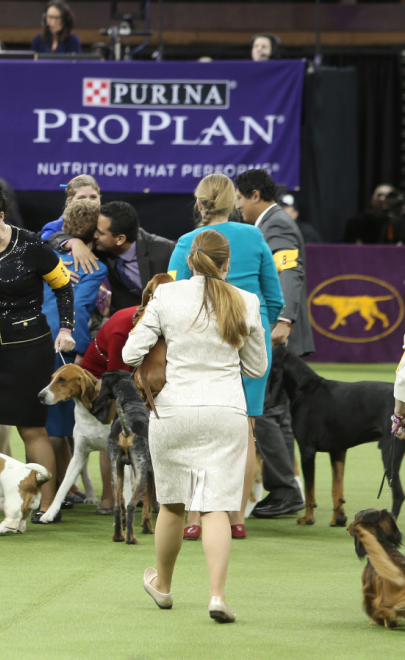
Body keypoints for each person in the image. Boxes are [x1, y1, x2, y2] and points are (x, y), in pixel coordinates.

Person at [124, 229, 268, 624]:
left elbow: (129, 351)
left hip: (174, 412)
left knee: (172, 504)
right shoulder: (247, 300)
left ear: (189, 260)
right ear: (227, 264)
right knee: (217, 507)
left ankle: (164, 586)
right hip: (226, 412)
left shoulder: (166, 295)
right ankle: (217, 596)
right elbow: (256, 367)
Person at [168, 173, 284, 540]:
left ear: (200, 204)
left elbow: (170, 293)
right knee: (244, 429)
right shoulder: (254, 235)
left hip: (202, 339)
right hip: (251, 333)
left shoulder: (188, 241)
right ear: (233, 201)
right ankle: (236, 517)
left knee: (196, 427)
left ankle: (194, 517)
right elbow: (275, 295)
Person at [0, 177, 75, 522]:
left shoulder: (32, 245)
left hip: (28, 350)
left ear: (1, 214)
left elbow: (63, 288)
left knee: (32, 428)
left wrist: (66, 328)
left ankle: (46, 505)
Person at [234, 168, 311, 518]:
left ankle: (284, 489)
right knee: (277, 413)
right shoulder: (271, 223)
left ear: (253, 195)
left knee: (263, 409)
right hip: (278, 330)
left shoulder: (275, 225)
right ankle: (288, 489)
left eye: (239, 198)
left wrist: (284, 319)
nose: (237, 206)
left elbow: (290, 271)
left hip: (278, 332)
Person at [41, 199, 111, 512]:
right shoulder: (98, 267)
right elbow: (79, 309)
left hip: (34, 336)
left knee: (45, 424)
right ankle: (58, 492)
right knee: (59, 425)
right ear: (94, 233)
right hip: (67, 343)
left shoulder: (43, 253)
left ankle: (56, 489)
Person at [92, 201, 175, 314]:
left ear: (120, 239)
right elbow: (61, 234)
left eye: (101, 233)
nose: (94, 235)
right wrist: (74, 243)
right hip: (126, 323)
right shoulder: (98, 248)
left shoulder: (166, 251)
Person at [42, 174, 102, 251]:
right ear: (69, 202)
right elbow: (40, 248)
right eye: (81, 198)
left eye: (93, 197)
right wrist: (72, 243)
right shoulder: (54, 228)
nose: (88, 201)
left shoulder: (107, 223)